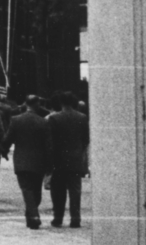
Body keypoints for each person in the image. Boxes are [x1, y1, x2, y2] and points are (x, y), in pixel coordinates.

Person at [3, 95, 52, 229]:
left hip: (21, 160)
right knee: (36, 191)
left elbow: (8, 139)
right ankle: (32, 214)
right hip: (39, 161)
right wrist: (49, 164)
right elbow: (49, 145)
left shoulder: (15, 120)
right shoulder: (44, 122)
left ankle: (32, 215)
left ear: (25, 103)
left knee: (26, 189)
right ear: (38, 104)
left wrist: (3, 150)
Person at [47, 91, 88, 228]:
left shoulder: (54, 118)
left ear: (60, 102)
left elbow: (50, 141)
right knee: (75, 190)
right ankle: (75, 218)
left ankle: (58, 218)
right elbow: (86, 139)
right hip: (76, 159)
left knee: (58, 190)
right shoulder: (82, 117)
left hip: (58, 159)